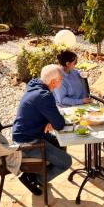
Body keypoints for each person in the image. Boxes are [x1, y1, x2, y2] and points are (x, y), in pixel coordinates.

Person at [12, 64, 72, 195]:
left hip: (27, 134)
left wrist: (49, 120)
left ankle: (39, 171)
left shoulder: (35, 86)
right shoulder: (44, 96)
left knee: (60, 144)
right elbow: (60, 124)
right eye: (61, 79)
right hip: (27, 143)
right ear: (53, 82)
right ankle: (34, 178)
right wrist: (53, 120)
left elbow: (51, 118)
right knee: (66, 162)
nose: (62, 80)